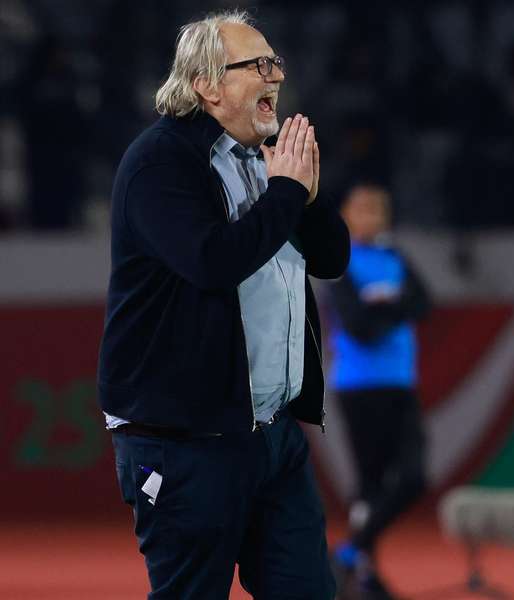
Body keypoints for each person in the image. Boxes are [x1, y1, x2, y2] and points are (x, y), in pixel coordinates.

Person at [96, 10, 349, 599]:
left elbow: (332, 258)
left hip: (272, 435)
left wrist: (303, 196)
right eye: (257, 66)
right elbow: (212, 262)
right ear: (208, 85)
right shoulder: (159, 162)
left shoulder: (262, 158)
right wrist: (287, 191)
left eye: (276, 62)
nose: (275, 76)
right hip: (184, 439)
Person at [327, 183, 431, 600]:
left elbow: (424, 303)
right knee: (369, 483)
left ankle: (352, 552)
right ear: (348, 216)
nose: (371, 217)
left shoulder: (395, 257)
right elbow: (359, 328)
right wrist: (394, 305)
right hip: (359, 386)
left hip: (400, 382)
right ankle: (365, 577)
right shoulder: (340, 261)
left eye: (377, 210)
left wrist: (381, 305)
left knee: (414, 477)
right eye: (362, 209)